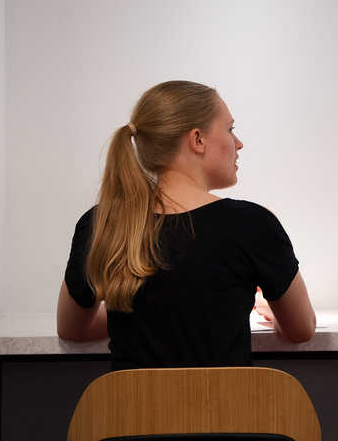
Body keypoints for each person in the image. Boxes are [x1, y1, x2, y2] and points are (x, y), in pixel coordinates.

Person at [56, 80, 316, 370]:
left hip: (131, 403)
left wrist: (134, 313)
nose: (238, 143)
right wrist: (268, 311)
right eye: (230, 129)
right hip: (226, 402)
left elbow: (72, 329)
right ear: (198, 140)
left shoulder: (101, 222)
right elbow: (301, 330)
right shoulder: (253, 224)